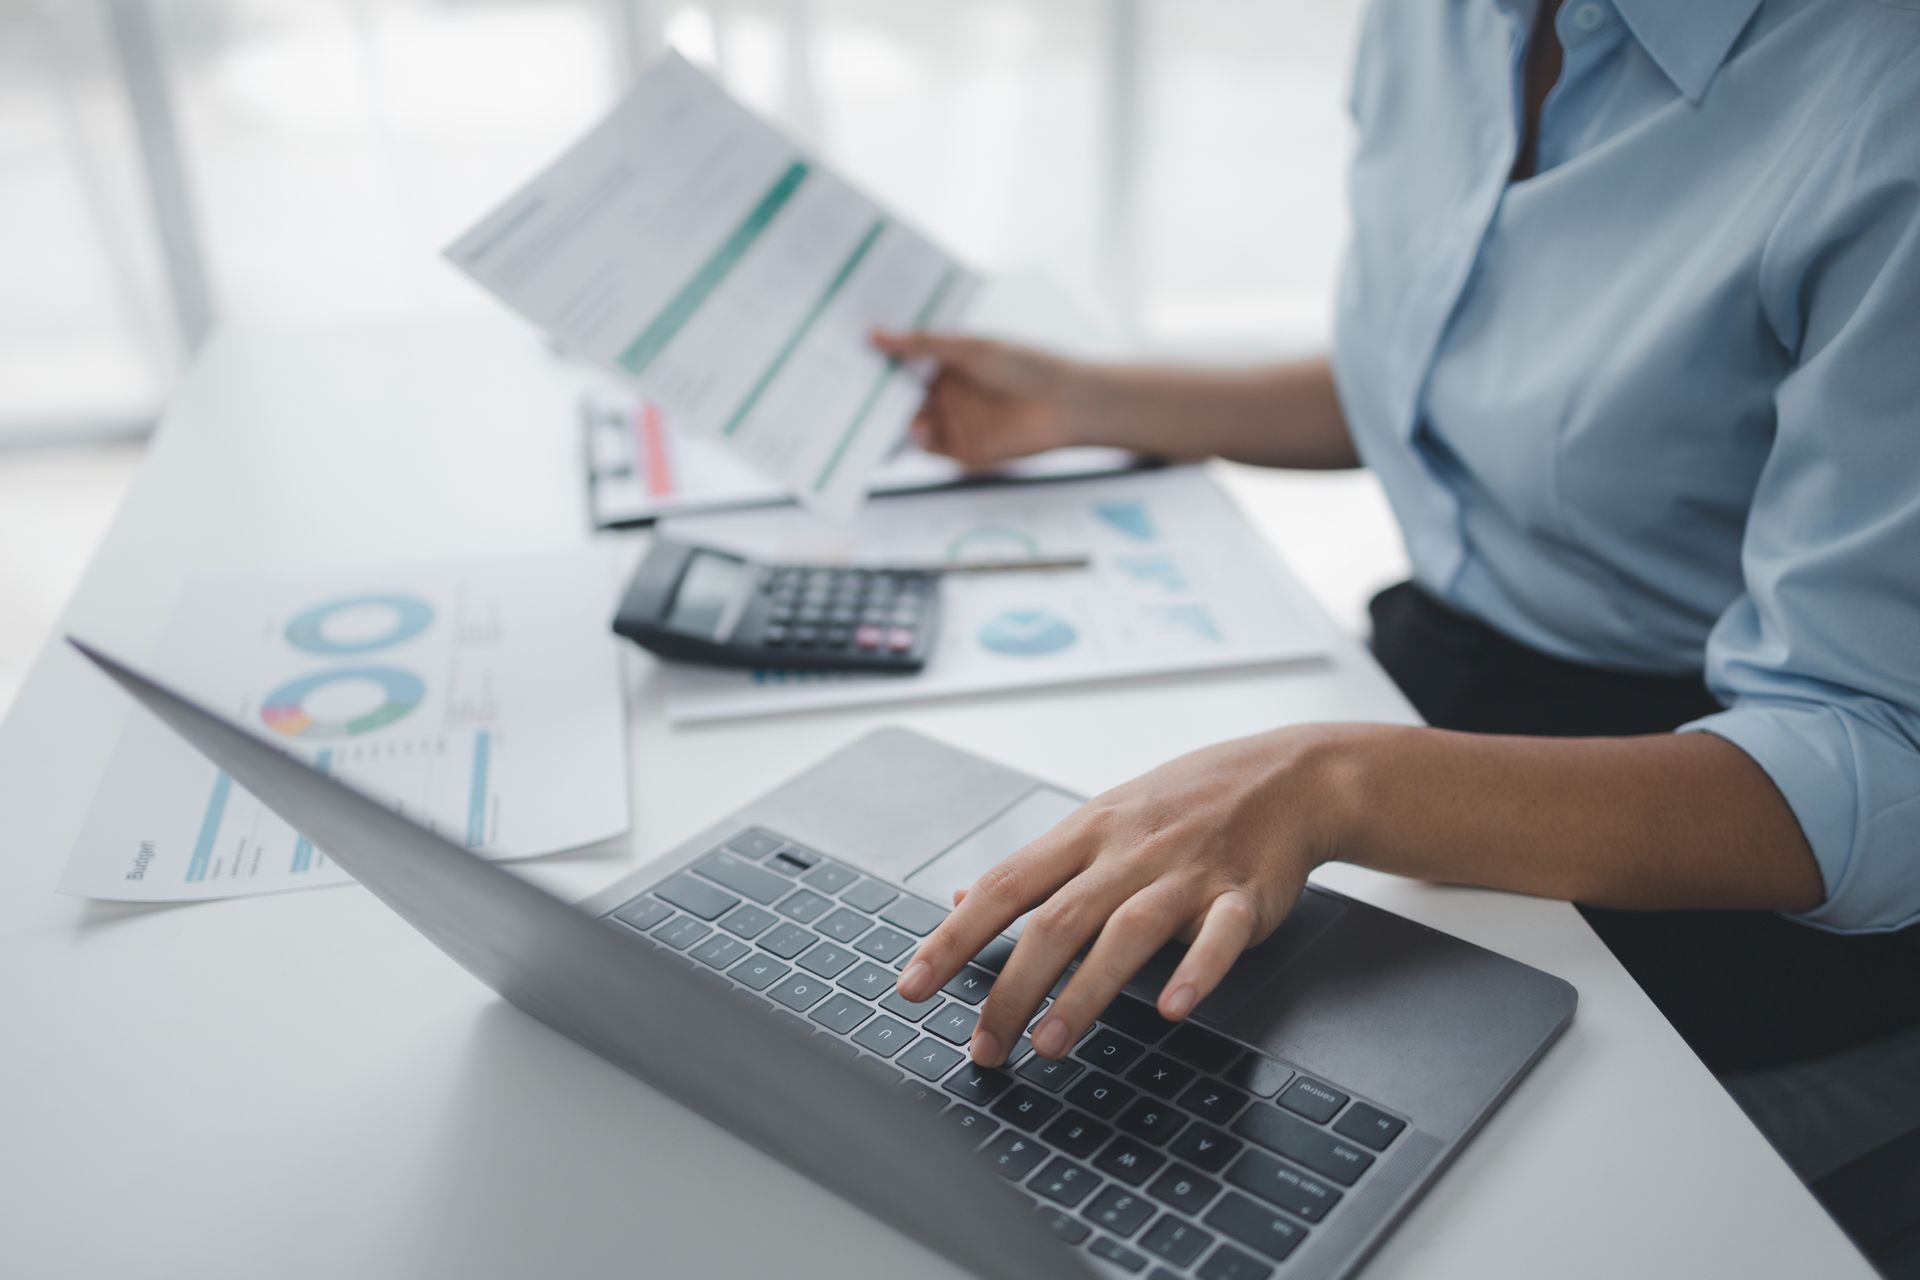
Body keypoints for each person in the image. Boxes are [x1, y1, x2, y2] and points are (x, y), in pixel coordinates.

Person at [874, 0, 1920, 1263]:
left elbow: (1879, 754)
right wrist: (1088, 396)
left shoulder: (1882, 98)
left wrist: (1330, 776)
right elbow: (1459, 382)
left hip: (1709, 856)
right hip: (1428, 707)